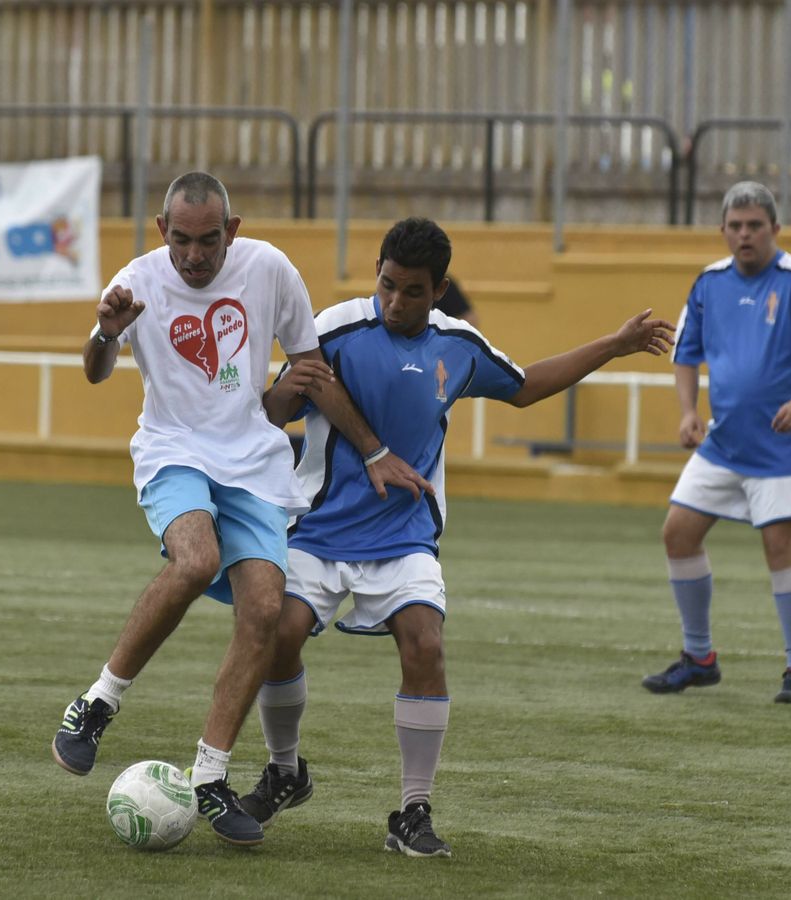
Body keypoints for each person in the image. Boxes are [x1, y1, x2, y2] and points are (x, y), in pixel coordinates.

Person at [242, 217, 675, 857]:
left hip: (405, 533)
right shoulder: (332, 329)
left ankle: (413, 812)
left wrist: (612, 345)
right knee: (278, 635)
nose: (394, 301)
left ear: (439, 290)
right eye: (386, 285)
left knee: (425, 643)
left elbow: (525, 387)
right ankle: (284, 771)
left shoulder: (459, 346)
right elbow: (274, 413)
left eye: (411, 291)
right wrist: (282, 391)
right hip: (320, 528)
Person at [50, 172, 431, 847]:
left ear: (233, 230)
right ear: (161, 230)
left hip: (253, 459)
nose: (194, 256)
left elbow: (309, 374)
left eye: (207, 240)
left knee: (265, 610)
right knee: (196, 560)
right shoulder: (136, 282)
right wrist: (106, 335)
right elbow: (94, 370)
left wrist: (371, 451)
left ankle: (209, 776)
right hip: (173, 450)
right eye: (180, 240)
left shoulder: (272, 271)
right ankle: (97, 703)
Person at [641, 181, 791, 704]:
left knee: (780, 547)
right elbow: (685, 353)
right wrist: (689, 413)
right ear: (723, 231)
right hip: (723, 442)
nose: (744, 235)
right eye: (735, 226)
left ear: (775, 229)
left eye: (754, 225)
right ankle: (699, 657)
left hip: (785, 447)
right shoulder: (708, 283)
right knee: (677, 533)